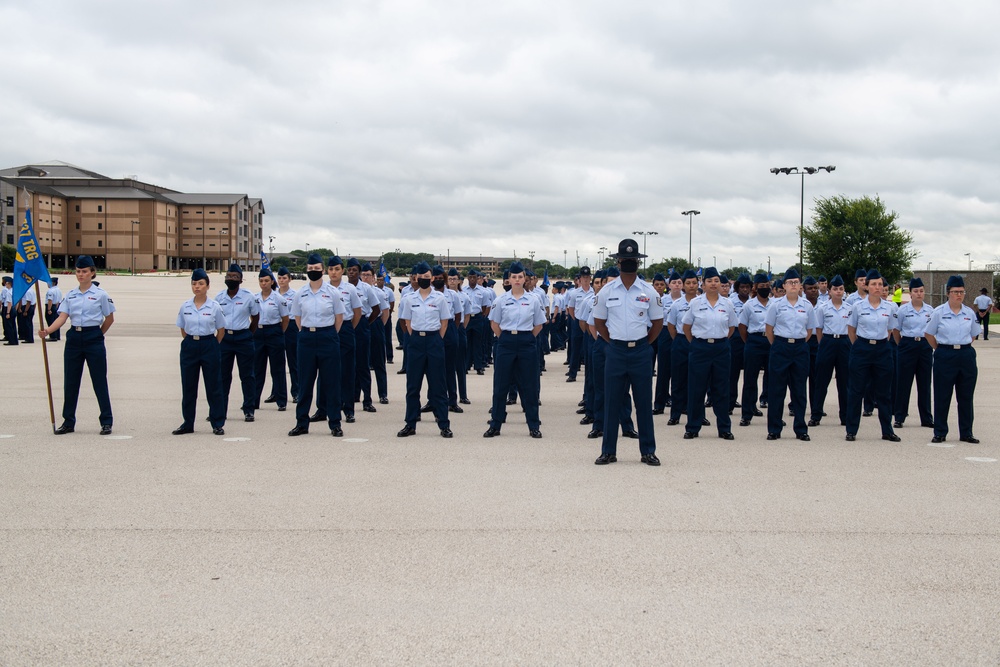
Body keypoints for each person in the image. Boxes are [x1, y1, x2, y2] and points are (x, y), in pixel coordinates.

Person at [592, 239, 663, 466]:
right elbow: (599, 322)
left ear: (637, 263)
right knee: (612, 401)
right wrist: (613, 341)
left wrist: (643, 344)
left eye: (633, 260)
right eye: (625, 259)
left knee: (643, 403)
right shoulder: (606, 291)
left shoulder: (649, 291)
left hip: (641, 352)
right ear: (619, 261)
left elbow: (658, 323)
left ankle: (648, 451)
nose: (629, 263)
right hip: (615, 351)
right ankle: (608, 451)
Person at [38, 255, 115, 435]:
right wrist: (48, 331)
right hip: (74, 338)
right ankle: (68, 421)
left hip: (93, 337)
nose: (81, 275)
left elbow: (109, 318)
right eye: (78, 271)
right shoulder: (71, 294)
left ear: (92, 273)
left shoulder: (100, 295)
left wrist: (97, 335)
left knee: (99, 381)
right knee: (71, 381)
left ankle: (106, 421)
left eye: (85, 272)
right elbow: (62, 317)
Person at [483, 262, 545, 438]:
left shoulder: (533, 299)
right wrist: (504, 338)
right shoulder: (500, 300)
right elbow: (494, 324)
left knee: (529, 386)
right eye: (514, 277)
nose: (517, 280)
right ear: (508, 279)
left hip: (526, 341)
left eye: (520, 277)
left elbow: (539, 324)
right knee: (500, 385)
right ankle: (495, 424)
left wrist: (527, 338)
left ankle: (533, 425)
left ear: (524, 279)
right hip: (506, 341)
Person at [287, 254, 346, 437]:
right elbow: (297, 318)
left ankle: (335, 423)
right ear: (307, 270)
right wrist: (309, 332)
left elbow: (339, 318)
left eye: (317, 268)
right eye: (310, 269)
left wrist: (326, 334)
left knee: (332, 383)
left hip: (328, 337)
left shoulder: (332, 293)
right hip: (306, 338)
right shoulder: (300, 294)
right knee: (305, 383)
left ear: (323, 270)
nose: (313, 271)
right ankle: (302, 423)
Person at [397, 262, 453, 438]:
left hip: (434, 341)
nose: (423, 280)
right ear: (416, 278)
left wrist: (436, 339)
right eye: (420, 278)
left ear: (432, 278)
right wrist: (416, 337)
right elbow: (406, 322)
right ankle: (410, 424)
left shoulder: (439, 299)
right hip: (416, 343)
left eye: (427, 278)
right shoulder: (409, 299)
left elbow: (444, 322)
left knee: (438, 385)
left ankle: (444, 424)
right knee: (413, 386)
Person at [681, 266, 737, 439]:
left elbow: (732, 327)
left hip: (721, 348)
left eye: (716, 281)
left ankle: (724, 428)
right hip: (700, 348)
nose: (713, 284)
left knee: (721, 389)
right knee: (696, 389)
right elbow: (686, 327)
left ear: (721, 284)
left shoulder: (727, 303)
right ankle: (692, 427)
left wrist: (719, 341)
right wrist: (698, 343)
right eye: (709, 281)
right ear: (703, 284)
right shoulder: (696, 303)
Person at [845, 269, 900, 442]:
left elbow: (890, 330)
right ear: (866, 286)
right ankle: (851, 430)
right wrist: (862, 346)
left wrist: (879, 344)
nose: (877, 287)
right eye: (873, 284)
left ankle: (887, 430)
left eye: (880, 284)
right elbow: (851, 331)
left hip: (883, 350)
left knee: (884, 392)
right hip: (861, 348)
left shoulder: (890, 307)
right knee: (856, 390)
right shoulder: (857, 306)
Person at [924, 275, 981, 443]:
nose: (959, 295)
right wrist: (941, 349)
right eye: (956, 292)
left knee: (965, 396)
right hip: (945, 355)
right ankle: (940, 432)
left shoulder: (969, 313)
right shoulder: (939, 312)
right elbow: (929, 334)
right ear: (948, 293)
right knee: (942, 395)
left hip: (965, 355)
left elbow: (974, 334)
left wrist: (961, 346)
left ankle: (966, 433)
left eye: (962, 292)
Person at [172, 268, 227, 435]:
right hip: (190, 346)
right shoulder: (185, 306)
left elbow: (221, 330)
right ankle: (188, 423)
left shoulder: (215, 306)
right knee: (188, 387)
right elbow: (183, 328)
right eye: (194, 283)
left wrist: (212, 344)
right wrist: (192, 342)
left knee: (214, 386)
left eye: (201, 284)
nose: (197, 287)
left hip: (209, 344)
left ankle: (217, 423)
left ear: (207, 286)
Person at [763, 268, 815, 441]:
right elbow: (769, 330)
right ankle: (774, 429)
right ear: (783, 286)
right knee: (777, 389)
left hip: (800, 348)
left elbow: (809, 331)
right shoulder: (776, 305)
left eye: (796, 282)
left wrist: (796, 343)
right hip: (780, 347)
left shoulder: (807, 305)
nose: (793, 285)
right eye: (789, 282)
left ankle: (801, 429)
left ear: (800, 285)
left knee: (799, 390)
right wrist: (780, 345)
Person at [312, 256, 361, 424]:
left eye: (337, 269)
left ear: (343, 271)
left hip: (345, 330)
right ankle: (322, 408)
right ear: (326, 271)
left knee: (347, 371)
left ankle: (348, 409)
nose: (334, 273)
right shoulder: (321, 288)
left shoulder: (350, 289)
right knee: (324, 371)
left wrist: (347, 329)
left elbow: (357, 313)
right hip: (326, 330)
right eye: (331, 269)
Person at [216, 263, 260, 423]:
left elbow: (255, 318)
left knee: (247, 375)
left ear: (241, 280)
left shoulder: (249, 297)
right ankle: (220, 410)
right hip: (225, 339)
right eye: (229, 276)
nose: (231, 279)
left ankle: (249, 410)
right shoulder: (219, 298)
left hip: (243, 339)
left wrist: (248, 333)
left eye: (235, 277)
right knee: (222, 376)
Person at [893, 277, 934, 429]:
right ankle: (899, 416)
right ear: (910, 293)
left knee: (924, 383)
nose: (919, 294)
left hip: (924, 346)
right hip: (907, 345)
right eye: (916, 291)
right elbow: (896, 331)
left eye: (921, 291)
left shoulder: (930, 310)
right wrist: (902, 346)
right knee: (903, 383)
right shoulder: (902, 310)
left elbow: (932, 330)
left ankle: (926, 418)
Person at [812, 275, 851, 427]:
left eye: (841, 289)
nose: (838, 292)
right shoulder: (822, 308)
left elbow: (852, 328)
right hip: (827, 342)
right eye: (835, 289)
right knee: (821, 381)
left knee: (844, 382)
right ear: (830, 291)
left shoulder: (849, 308)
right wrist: (823, 344)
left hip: (844, 342)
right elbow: (819, 329)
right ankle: (816, 415)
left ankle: (845, 416)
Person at [346, 258, 381, 412]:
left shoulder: (366, 289)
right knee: (347, 364)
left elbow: (376, 309)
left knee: (363, 364)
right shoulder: (342, 288)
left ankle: (367, 400)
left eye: (355, 270)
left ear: (359, 272)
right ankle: (350, 397)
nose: (352, 272)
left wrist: (366, 323)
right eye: (349, 269)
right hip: (346, 326)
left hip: (361, 326)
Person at [738, 273, 772, 426]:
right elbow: (742, 327)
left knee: (773, 379)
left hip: (771, 342)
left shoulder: (775, 304)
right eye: (761, 286)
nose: (764, 288)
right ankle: (747, 413)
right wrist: (750, 342)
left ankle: (774, 415)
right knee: (750, 379)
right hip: (754, 341)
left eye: (766, 286)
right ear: (755, 288)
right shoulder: (749, 305)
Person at [253, 268, 289, 412]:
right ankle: (254, 400)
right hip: (258, 333)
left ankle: (281, 401)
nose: (264, 283)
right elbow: (252, 317)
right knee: (257, 369)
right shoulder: (254, 298)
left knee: (278, 369)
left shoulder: (279, 299)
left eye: (267, 281)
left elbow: (285, 319)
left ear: (272, 282)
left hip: (274, 332)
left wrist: (279, 333)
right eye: (261, 281)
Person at [667, 270, 699, 426]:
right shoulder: (677, 304)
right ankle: (675, 414)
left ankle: (698, 415)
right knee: (678, 380)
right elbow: (671, 326)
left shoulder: (703, 302)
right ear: (683, 285)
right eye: (688, 283)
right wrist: (681, 340)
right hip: (680, 342)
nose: (691, 286)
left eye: (694, 283)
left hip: (699, 342)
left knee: (699, 381)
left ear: (698, 284)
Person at [362, 263, 390, 406]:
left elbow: (385, 312)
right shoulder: (355, 290)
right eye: (363, 275)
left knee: (379, 361)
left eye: (368, 275)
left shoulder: (379, 293)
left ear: (373, 278)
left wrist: (379, 326)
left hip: (375, 324)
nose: (365, 278)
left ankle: (383, 394)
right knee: (361, 362)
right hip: (362, 324)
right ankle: (360, 393)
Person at [275, 267, 299, 403]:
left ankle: (296, 391)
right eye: (279, 278)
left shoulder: (295, 295)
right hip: (277, 326)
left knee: (293, 361)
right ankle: (276, 392)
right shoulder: (274, 294)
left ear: (289, 279)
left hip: (291, 326)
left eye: (284, 278)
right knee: (277, 363)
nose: (282, 280)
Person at [1, 276, 16, 345]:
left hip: (9, 309)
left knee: (9, 326)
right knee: (13, 325)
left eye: (7, 283)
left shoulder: (8, 292)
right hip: (13, 309)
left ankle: (11, 341)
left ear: (9, 283)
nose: (5, 284)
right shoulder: (13, 291)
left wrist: (7, 313)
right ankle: (14, 340)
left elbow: (9, 303)